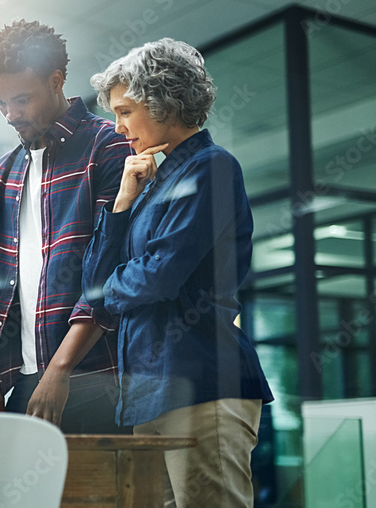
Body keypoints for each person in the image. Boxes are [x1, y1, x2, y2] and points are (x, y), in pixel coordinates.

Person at [85, 38, 274, 507]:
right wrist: (123, 204)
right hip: (152, 392)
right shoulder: (152, 185)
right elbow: (94, 283)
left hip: (201, 385)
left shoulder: (211, 169)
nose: (117, 127)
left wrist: (111, 288)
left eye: (125, 112)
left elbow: (158, 278)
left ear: (163, 101)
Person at [0, 19, 133, 434]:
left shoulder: (107, 146)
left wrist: (60, 370)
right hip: (20, 380)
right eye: (0, 102)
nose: (10, 115)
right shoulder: (6, 170)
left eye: (22, 100)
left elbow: (110, 273)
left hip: (93, 377)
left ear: (57, 81)